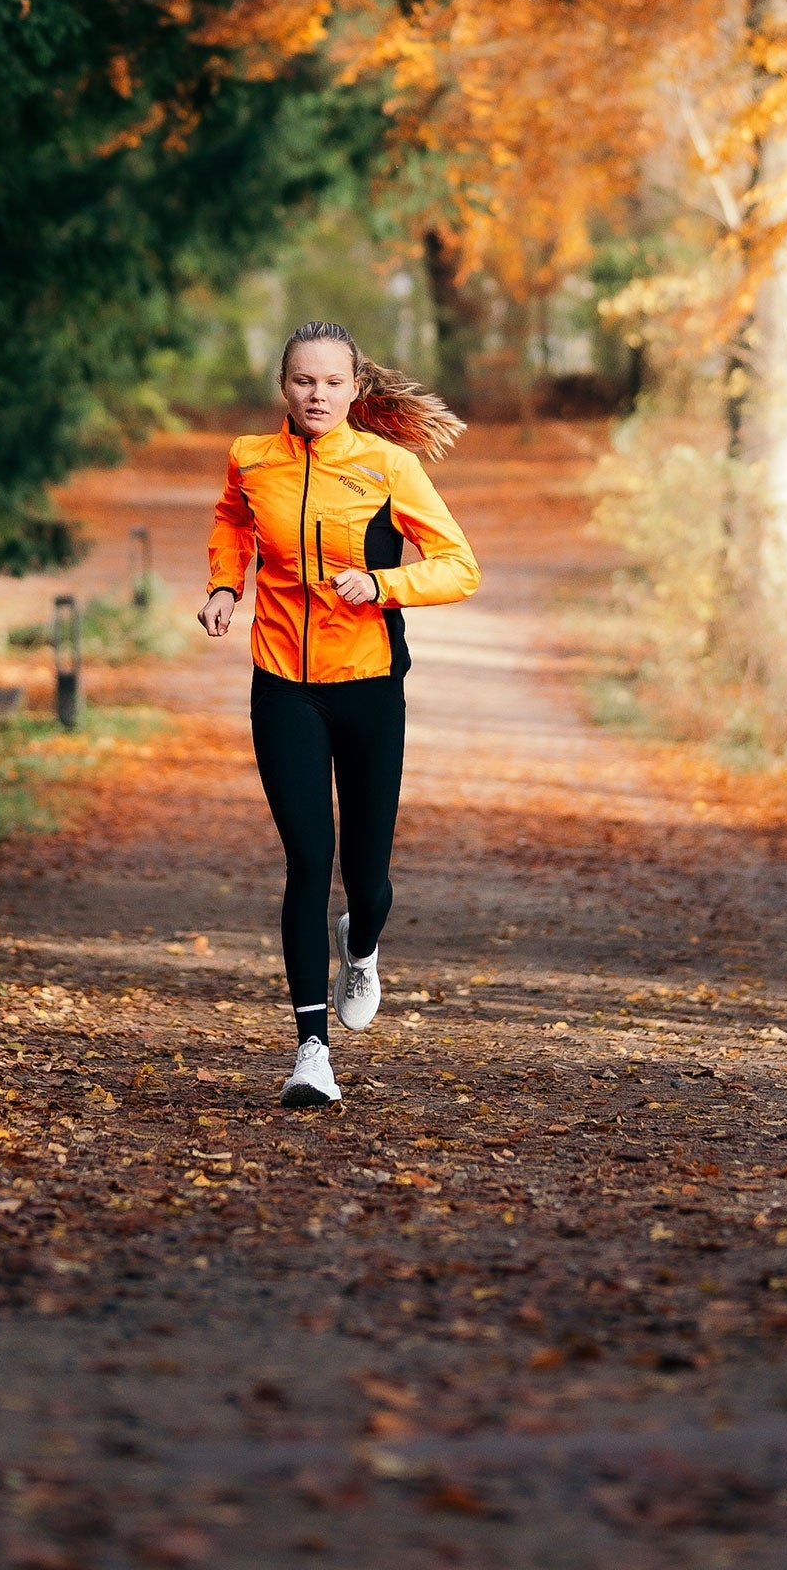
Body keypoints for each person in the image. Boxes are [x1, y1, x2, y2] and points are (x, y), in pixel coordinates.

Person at [198, 320, 481, 1107]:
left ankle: (363, 947)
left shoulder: (390, 466)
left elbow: (460, 566)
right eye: (302, 382)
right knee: (306, 863)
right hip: (282, 681)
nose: (316, 395)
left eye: (330, 382)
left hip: (368, 685)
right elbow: (232, 522)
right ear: (282, 387)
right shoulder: (251, 458)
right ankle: (311, 1052)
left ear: (355, 388)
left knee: (369, 877)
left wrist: (383, 587)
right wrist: (226, 586)